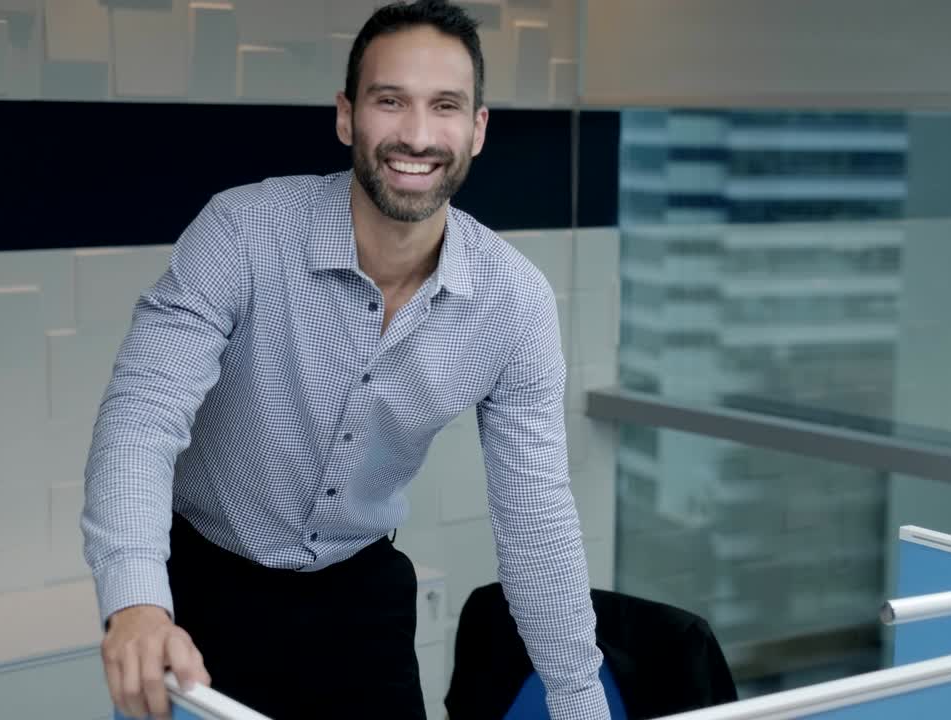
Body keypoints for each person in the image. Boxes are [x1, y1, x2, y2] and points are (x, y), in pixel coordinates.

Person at [81, 1, 608, 718]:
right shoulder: (241, 231)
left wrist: (577, 698)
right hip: (204, 588)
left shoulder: (515, 302)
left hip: (360, 597)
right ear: (346, 116)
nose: (417, 135)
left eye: (445, 106)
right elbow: (142, 417)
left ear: (477, 129)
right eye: (390, 101)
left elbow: (535, 514)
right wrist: (137, 604)